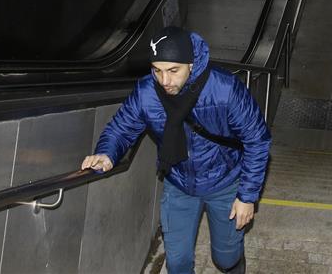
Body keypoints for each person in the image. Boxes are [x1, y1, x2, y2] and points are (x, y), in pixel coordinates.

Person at [81, 26, 271, 274]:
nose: (165, 81)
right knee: (178, 263)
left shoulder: (225, 89)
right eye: (157, 70)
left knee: (225, 259)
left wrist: (247, 196)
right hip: (179, 182)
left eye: (173, 71)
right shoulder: (147, 92)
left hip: (225, 182)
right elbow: (121, 128)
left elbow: (257, 139)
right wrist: (106, 153)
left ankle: (235, 262)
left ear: (191, 65)